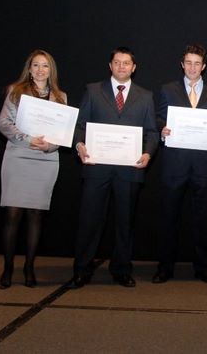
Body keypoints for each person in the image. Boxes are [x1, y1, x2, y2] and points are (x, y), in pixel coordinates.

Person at [70, 46, 158, 288]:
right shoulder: (93, 90)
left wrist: (148, 153)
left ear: (134, 67)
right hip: (96, 166)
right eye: (117, 62)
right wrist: (79, 144)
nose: (121, 66)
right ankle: (82, 269)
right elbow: (80, 125)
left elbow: (152, 132)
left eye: (126, 63)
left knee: (125, 223)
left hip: (129, 170)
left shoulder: (145, 96)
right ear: (110, 66)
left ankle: (121, 269)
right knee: (89, 220)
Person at [152, 44, 207, 285]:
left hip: (204, 166)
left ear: (204, 66)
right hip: (174, 165)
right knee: (168, 218)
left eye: (197, 63)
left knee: (202, 220)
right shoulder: (167, 90)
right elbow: (158, 118)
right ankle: (165, 268)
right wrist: (162, 129)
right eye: (189, 63)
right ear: (182, 64)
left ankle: (203, 268)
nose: (193, 68)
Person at [0, 49, 67, 289]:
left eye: (45, 66)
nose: (40, 70)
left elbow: (63, 132)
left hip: (46, 159)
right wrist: (28, 140)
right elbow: (3, 124)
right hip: (18, 156)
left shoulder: (60, 97)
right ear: (29, 68)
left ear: (51, 70)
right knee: (12, 215)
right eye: (36, 65)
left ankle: (29, 267)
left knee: (36, 215)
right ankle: (8, 268)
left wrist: (50, 145)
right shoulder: (15, 91)